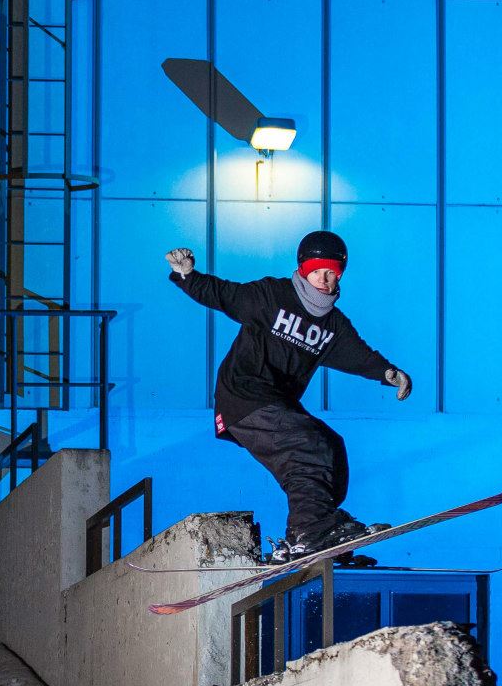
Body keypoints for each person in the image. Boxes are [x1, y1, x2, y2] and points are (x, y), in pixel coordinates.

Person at [166, 231, 414, 561]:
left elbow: (358, 355)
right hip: (244, 396)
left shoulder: (333, 326)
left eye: (331, 273)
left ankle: (314, 529)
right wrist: (188, 275)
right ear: (303, 270)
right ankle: (312, 529)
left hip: (276, 405)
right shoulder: (272, 295)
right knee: (307, 445)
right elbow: (224, 294)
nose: (323, 280)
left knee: (330, 446)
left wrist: (387, 372)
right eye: (316, 272)